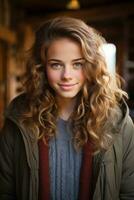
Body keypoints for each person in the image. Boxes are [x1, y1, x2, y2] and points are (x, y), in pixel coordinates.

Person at [0, 17, 134, 200]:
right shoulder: (19, 119)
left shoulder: (118, 122)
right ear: (41, 67)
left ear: (92, 65)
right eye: (56, 65)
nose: (67, 75)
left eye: (77, 64)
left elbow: (129, 193)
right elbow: (5, 191)